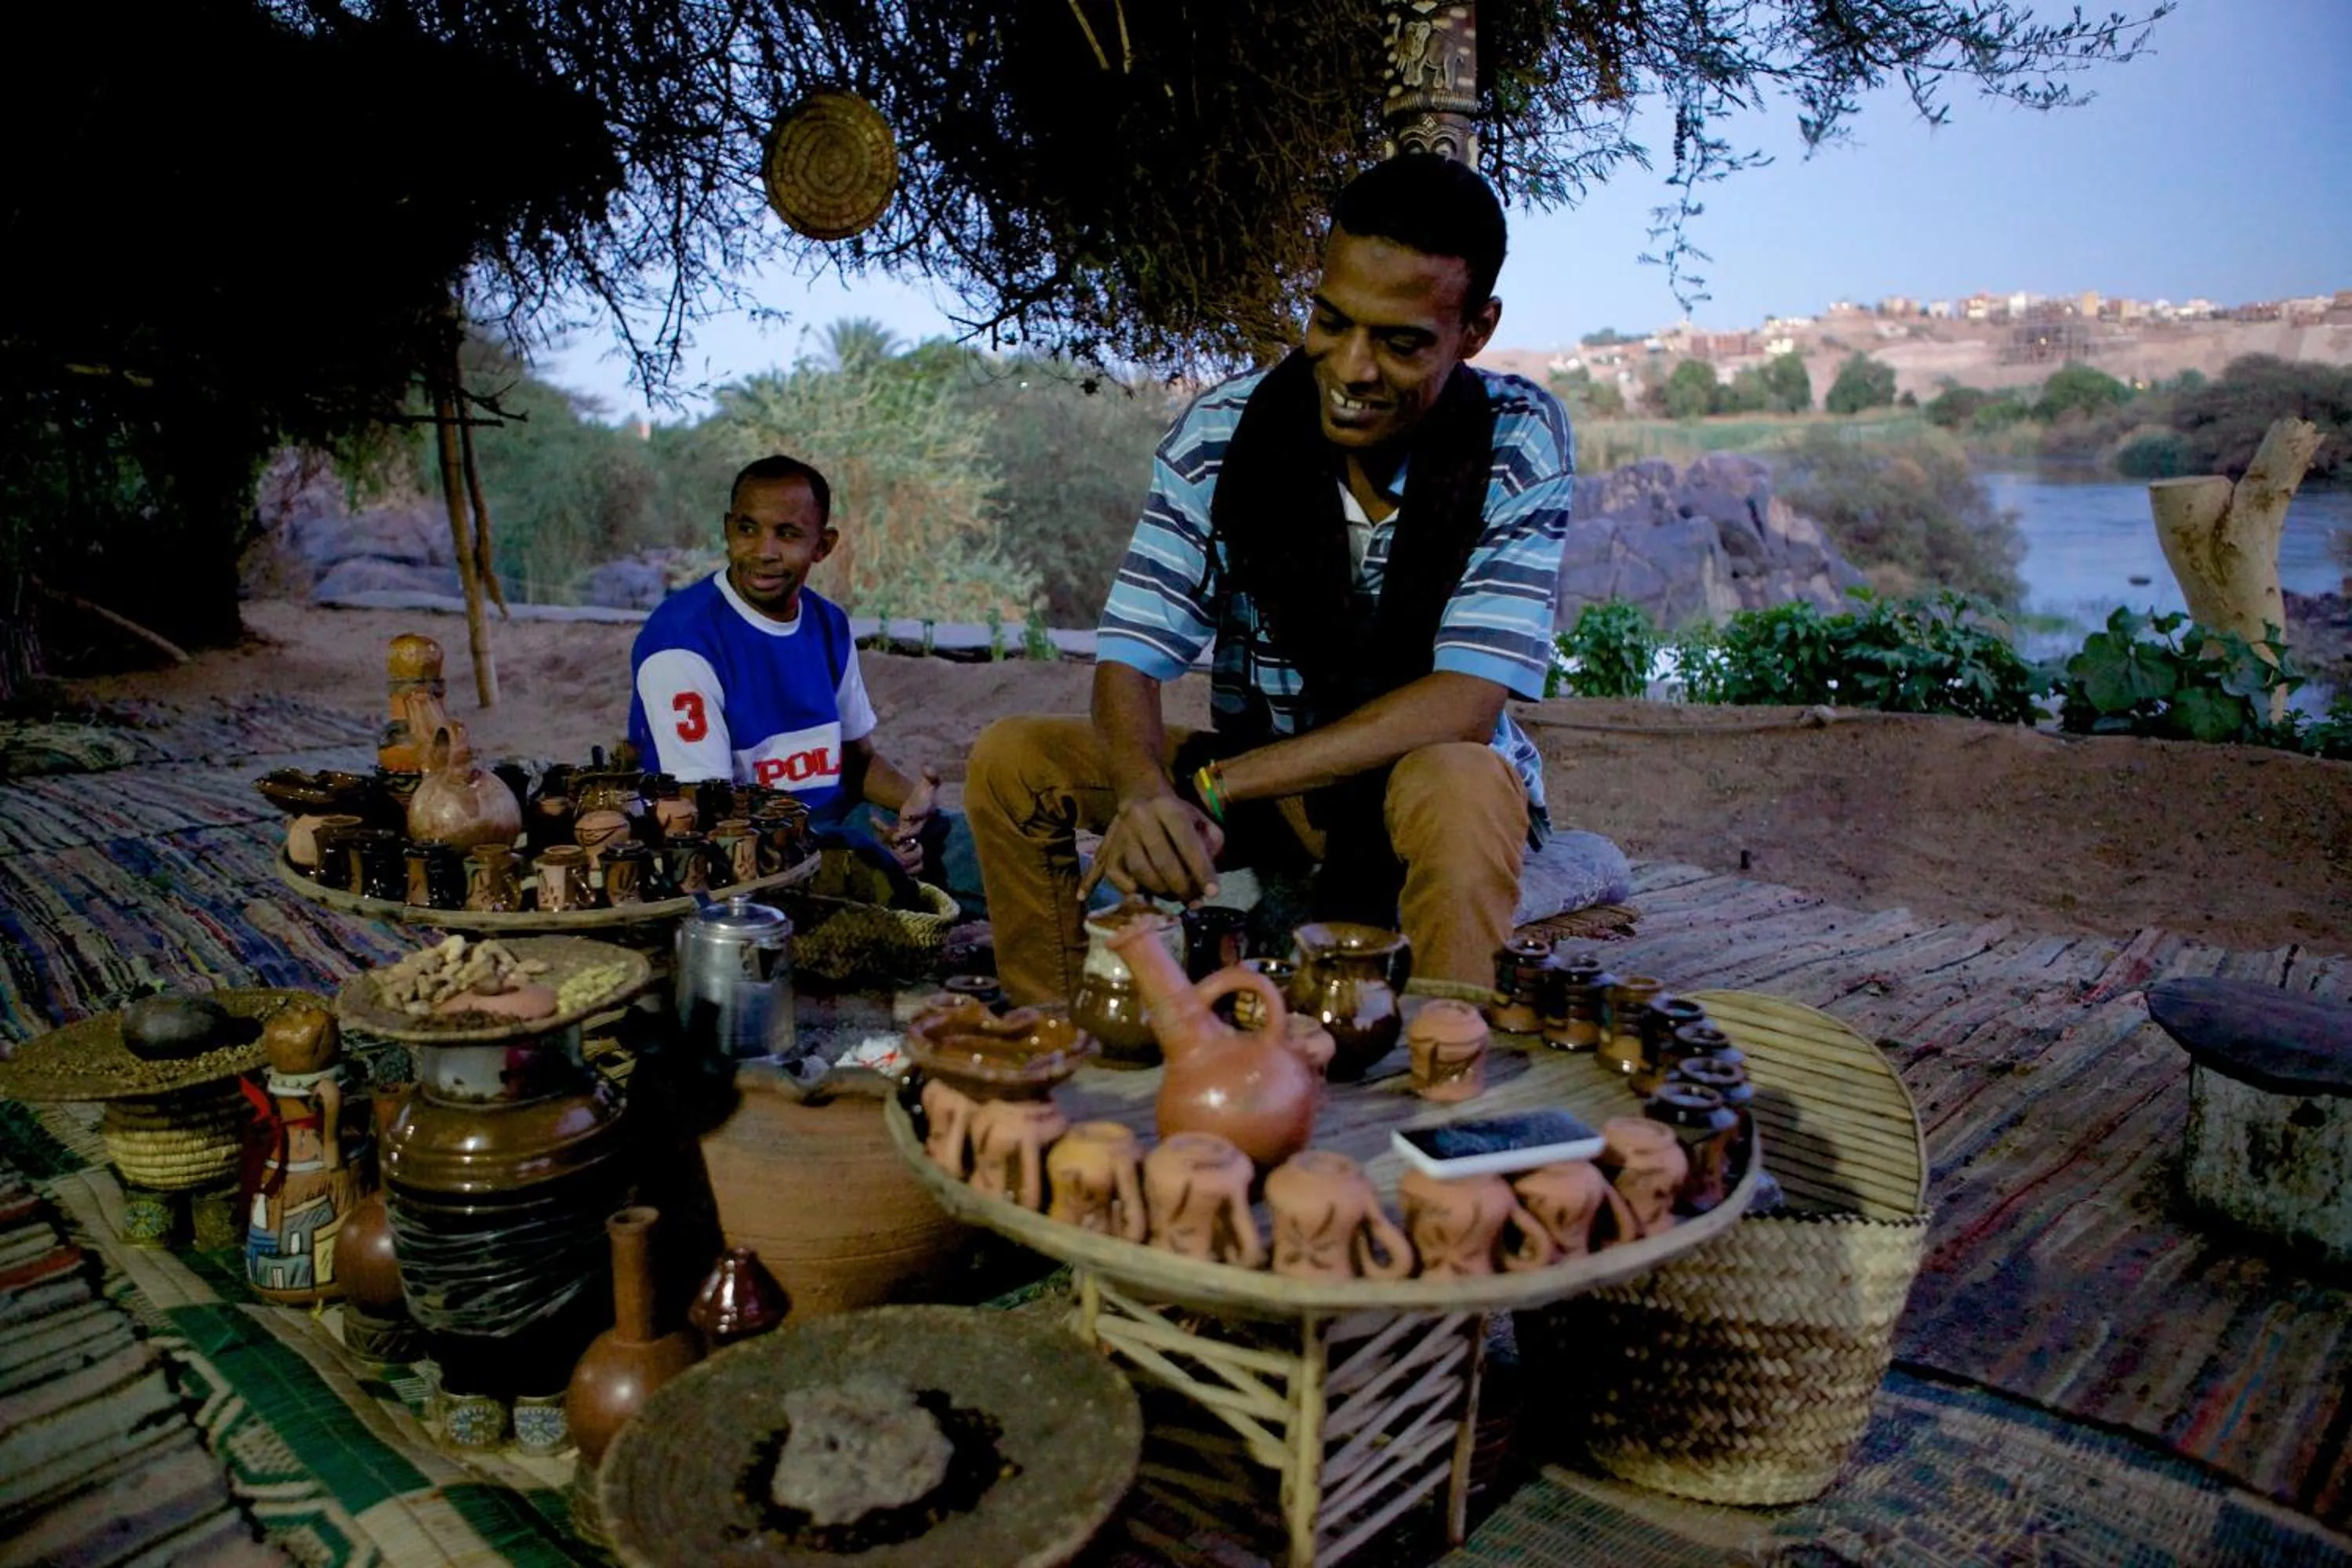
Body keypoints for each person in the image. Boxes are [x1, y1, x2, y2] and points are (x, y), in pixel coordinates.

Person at [967, 154, 1573, 1007]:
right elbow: (1132, 656)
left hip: (1409, 791)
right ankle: (1059, 1036)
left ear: (1475, 329)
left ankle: (1442, 1069)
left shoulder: (1519, 439)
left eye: (1401, 343)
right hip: (1270, 785)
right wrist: (1144, 793)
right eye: (1331, 321)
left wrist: (1220, 785)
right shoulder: (1224, 431)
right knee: (1012, 761)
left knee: (1463, 780)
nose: (1353, 368)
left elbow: (1466, 701)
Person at [626, 453, 957, 891]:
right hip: (743, 847)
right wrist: (858, 855)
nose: (763, 551)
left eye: (787, 534)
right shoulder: (683, 642)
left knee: (972, 842)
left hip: (836, 824)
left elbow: (855, 763)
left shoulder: (828, 625)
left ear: (823, 546)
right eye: (747, 529)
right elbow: (705, 813)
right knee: (869, 871)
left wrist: (911, 807)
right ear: (728, 530)